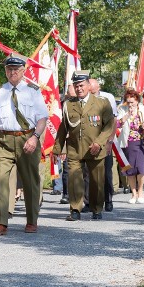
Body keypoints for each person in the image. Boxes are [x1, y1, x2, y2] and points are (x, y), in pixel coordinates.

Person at [0, 53, 48, 235]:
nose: (12, 72)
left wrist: (35, 137)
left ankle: (31, 220)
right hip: (2, 140)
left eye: (16, 69)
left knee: (30, 181)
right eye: (9, 69)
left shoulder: (33, 91)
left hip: (27, 138)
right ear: (5, 71)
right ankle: (0, 222)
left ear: (23, 70)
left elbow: (42, 118)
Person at [53, 70, 114, 220]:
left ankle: (96, 208)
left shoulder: (102, 103)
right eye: (76, 86)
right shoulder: (68, 105)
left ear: (88, 85)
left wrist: (99, 143)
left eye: (81, 85)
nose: (79, 88)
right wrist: (57, 149)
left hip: (94, 148)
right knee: (74, 179)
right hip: (74, 148)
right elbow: (63, 128)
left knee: (96, 180)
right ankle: (75, 209)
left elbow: (109, 125)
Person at [116, 88, 144, 204]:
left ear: (137, 100)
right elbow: (117, 123)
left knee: (141, 168)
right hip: (128, 142)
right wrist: (127, 115)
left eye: (132, 102)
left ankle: (141, 190)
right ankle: (133, 193)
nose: (130, 104)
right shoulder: (122, 109)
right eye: (128, 102)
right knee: (130, 169)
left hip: (141, 141)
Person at [88, 78, 117, 212]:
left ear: (98, 88)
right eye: (90, 91)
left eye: (94, 91)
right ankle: (88, 202)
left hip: (105, 140)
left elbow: (113, 121)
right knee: (87, 174)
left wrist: (110, 141)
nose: (92, 93)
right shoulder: (85, 99)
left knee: (106, 172)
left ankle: (108, 199)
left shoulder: (107, 98)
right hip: (89, 141)